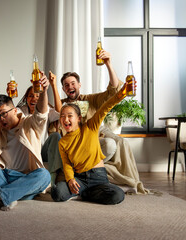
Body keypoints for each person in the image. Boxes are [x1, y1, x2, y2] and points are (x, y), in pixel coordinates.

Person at [55, 50, 148, 194]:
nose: (70, 87)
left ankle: (133, 182)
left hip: (97, 131)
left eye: (73, 83)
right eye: (66, 85)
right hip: (80, 139)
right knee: (108, 146)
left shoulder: (91, 99)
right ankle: (96, 174)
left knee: (120, 142)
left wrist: (108, 64)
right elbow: (56, 111)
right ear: (63, 89)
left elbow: (112, 92)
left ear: (79, 85)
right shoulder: (63, 106)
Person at [0, 72, 51, 213]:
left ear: (14, 110)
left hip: (24, 176)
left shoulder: (30, 123)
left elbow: (41, 113)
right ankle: (11, 195)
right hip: (2, 175)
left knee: (44, 175)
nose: (1, 119)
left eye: (4, 113)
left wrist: (43, 91)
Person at [51, 83, 128, 204]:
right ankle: (83, 192)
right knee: (57, 193)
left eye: (70, 116)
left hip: (98, 177)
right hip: (79, 179)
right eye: (62, 116)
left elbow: (105, 107)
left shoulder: (91, 126)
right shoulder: (62, 142)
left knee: (117, 195)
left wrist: (120, 95)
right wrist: (71, 179)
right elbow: (67, 164)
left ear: (79, 118)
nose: (65, 120)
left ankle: (84, 194)